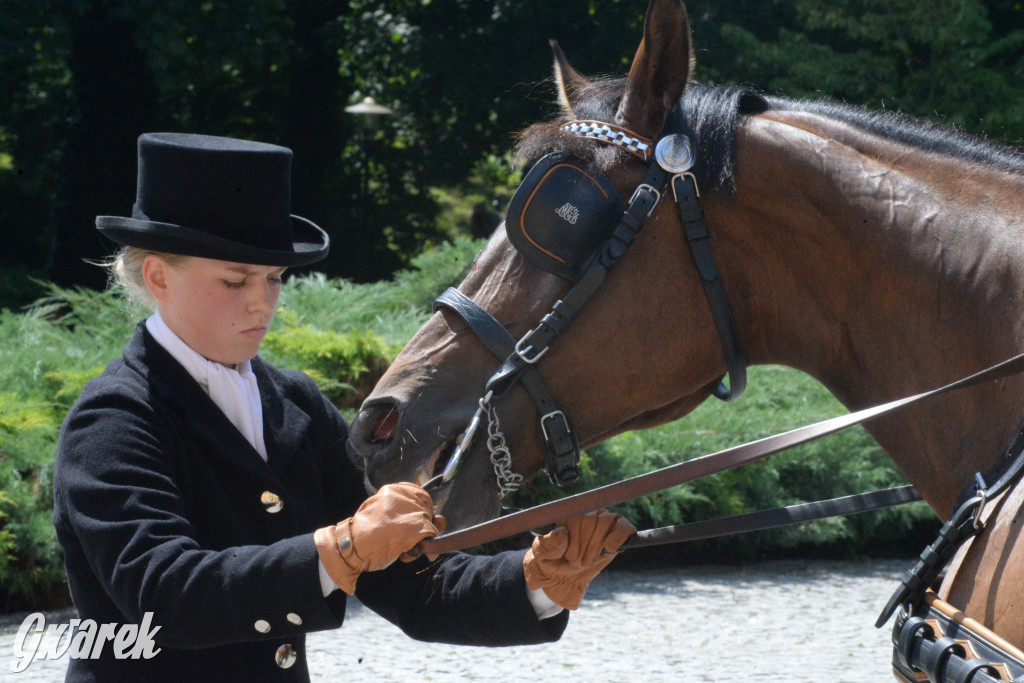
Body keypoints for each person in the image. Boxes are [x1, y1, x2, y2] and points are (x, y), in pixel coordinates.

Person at [52, 132, 635, 682]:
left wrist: (535, 582)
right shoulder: (114, 419)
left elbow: (405, 581)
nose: (263, 303)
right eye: (236, 281)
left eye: (275, 278)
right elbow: (163, 596)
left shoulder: (294, 404)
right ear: (158, 277)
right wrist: (341, 548)